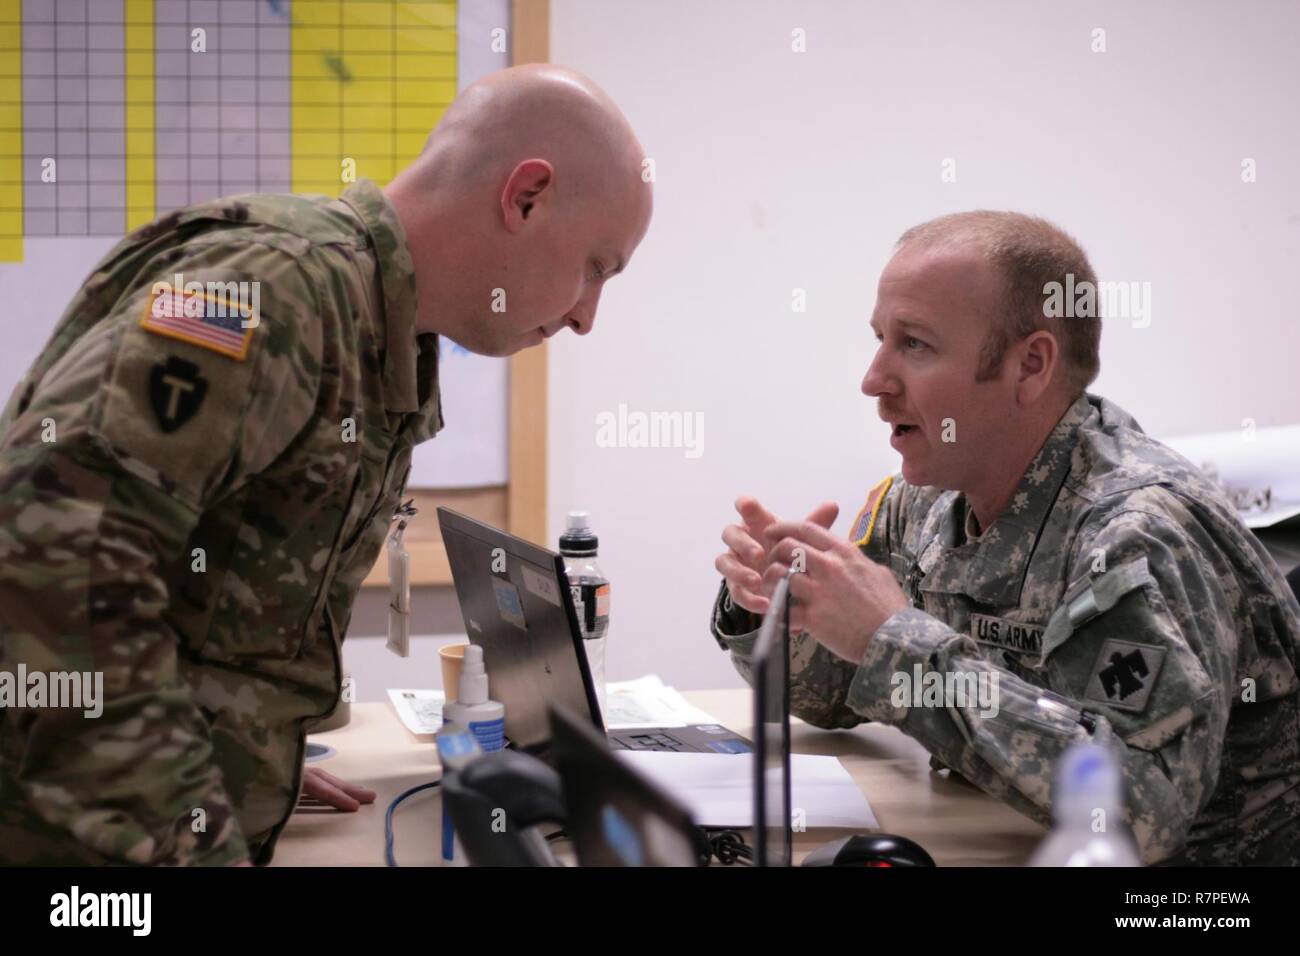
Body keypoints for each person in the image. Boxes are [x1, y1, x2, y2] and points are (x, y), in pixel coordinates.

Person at [0, 64, 653, 865]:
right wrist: (186, 828)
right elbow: (47, 560)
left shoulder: (382, 331)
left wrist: (248, 750)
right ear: (526, 197)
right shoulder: (272, 293)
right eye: (597, 266)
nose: (588, 315)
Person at [711, 211, 1300, 865]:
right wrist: (783, 612)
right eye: (880, 338)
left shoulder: (1135, 537)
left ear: (1030, 365)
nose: (874, 379)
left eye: (915, 344)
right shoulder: (926, 500)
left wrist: (892, 641)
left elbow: (1138, 811)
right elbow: (835, 692)